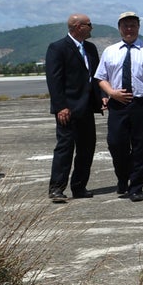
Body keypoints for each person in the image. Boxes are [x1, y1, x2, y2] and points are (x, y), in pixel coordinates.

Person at [94, 12, 143, 202]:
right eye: (125, 26)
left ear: (138, 28)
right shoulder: (110, 51)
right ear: (119, 28)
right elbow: (101, 78)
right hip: (118, 104)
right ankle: (123, 177)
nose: (129, 29)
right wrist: (111, 93)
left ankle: (136, 186)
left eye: (133, 26)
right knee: (116, 143)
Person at [44, 13, 103, 202]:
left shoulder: (91, 49)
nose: (91, 28)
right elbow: (54, 80)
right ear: (78, 27)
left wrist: (102, 97)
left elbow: (96, 77)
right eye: (89, 24)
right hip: (67, 109)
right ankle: (56, 188)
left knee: (87, 149)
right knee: (65, 148)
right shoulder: (58, 48)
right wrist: (61, 106)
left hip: (87, 107)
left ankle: (79, 186)